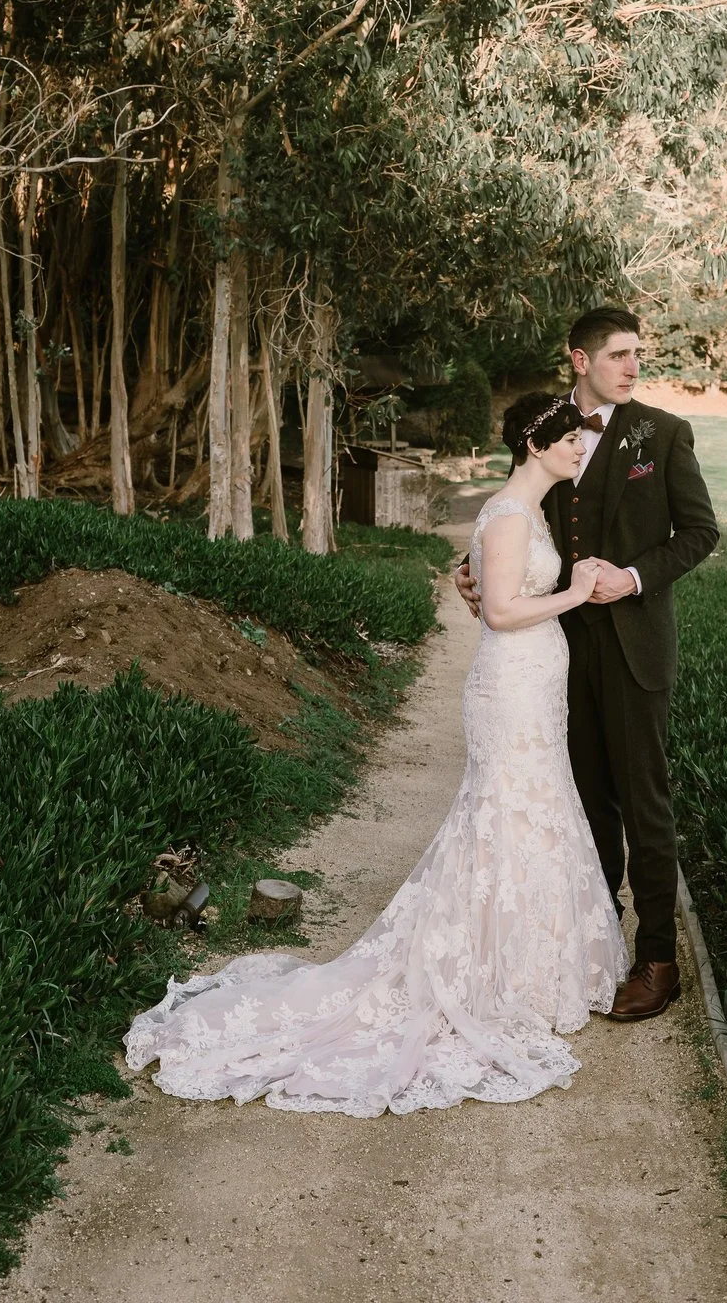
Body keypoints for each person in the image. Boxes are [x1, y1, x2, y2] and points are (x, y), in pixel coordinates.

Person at [124, 396, 628, 1116]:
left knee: (536, 806)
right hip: (510, 685)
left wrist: (497, 581)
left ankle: (528, 966)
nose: (581, 449)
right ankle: (492, 972)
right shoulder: (513, 512)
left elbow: (485, 587)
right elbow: (500, 612)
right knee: (506, 810)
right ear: (536, 444)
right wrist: (577, 592)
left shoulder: (528, 510)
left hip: (535, 683)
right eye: (572, 440)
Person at [454, 306, 718, 1021]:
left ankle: (658, 957)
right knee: (583, 801)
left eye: (639, 354)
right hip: (557, 650)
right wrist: (472, 567)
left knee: (645, 803)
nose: (635, 367)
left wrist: (630, 577)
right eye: (619, 355)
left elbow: (700, 533)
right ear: (580, 360)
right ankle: (591, 941)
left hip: (634, 646)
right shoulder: (546, 425)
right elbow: (517, 512)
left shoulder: (661, 434)